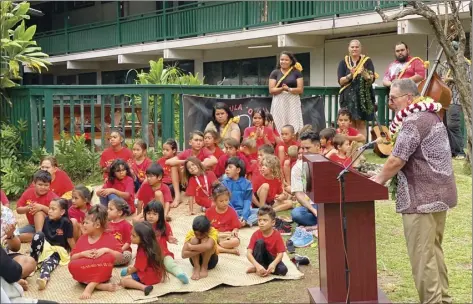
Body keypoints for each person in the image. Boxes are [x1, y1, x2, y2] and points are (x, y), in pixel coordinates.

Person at [372, 78, 456, 304]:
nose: (390, 103)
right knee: (433, 251)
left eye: (393, 99)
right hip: (440, 195)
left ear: (408, 98)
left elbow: (397, 160)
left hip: (422, 198)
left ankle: (432, 301)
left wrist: (376, 181)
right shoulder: (431, 116)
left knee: (422, 256)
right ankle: (443, 299)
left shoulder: (413, 121)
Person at [68, 205, 123, 299]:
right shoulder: (83, 238)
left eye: (87, 223)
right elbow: (72, 258)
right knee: (71, 265)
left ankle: (91, 285)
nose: (83, 225)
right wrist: (83, 254)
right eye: (84, 222)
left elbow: (120, 257)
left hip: (101, 273)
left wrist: (106, 250)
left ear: (97, 225)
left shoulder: (109, 238)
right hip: (85, 273)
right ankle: (98, 285)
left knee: (108, 257)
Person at [29, 198, 75, 290]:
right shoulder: (46, 219)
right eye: (49, 208)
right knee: (38, 235)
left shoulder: (66, 222)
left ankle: (43, 278)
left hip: (57, 250)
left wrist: (76, 253)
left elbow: (70, 239)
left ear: (62, 212)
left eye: (53, 209)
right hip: (46, 246)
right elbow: (43, 237)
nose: (49, 211)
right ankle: (32, 262)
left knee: (48, 264)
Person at [166, 131, 218, 207]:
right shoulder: (187, 152)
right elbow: (168, 162)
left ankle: (200, 194)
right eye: (196, 140)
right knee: (174, 166)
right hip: (187, 181)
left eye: (201, 140)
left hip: (202, 183)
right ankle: (177, 197)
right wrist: (187, 161)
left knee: (207, 162)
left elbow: (215, 160)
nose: (198, 143)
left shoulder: (204, 151)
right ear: (190, 142)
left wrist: (197, 163)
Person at [337, 39, 377, 139]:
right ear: (348, 49)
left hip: (363, 97)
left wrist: (364, 73)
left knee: (361, 123)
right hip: (348, 97)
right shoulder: (343, 62)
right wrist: (350, 75)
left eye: (357, 47)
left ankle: (360, 148)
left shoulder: (367, 61)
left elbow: (371, 79)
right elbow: (340, 81)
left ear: (360, 48)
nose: (354, 49)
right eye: (352, 47)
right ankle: (350, 147)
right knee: (348, 123)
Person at [143, 201, 189, 284]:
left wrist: (170, 238)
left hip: (163, 253)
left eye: (154, 214)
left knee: (170, 264)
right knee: (142, 264)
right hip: (148, 254)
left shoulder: (165, 225)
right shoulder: (143, 226)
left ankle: (180, 274)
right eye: (148, 213)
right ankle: (130, 270)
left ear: (160, 215)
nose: (151, 216)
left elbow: (169, 236)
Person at [439, 40, 469, 159]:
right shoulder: (444, 64)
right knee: (443, 125)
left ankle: (460, 151)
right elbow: (439, 79)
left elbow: (467, 81)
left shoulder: (465, 64)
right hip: (443, 99)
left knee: (453, 125)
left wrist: (450, 79)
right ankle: (450, 151)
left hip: (456, 98)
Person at [120, 222, 167, 296]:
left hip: (149, 276)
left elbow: (137, 267)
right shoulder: (152, 244)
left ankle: (144, 287)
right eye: (131, 234)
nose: (130, 237)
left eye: (133, 236)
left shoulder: (143, 252)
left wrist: (129, 272)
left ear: (143, 238)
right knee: (129, 270)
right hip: (156, 274)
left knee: (124, 281)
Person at [17, 170, 58, 243]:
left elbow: (58, 213)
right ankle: (42, 236)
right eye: (40, 184)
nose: (43, 187)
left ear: (50, 185)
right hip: (32, 226)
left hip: (50, 226)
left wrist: (41, 207)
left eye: (46, 185)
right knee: (14, 234)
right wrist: (27, 208)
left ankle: (39, 238)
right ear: (34, 183)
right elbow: (18, 210)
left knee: (38, 212)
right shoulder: (28, 192)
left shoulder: (52, 197)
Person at [291, 131, 319, 234]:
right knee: (296, 214)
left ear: (318, 147)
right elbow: (298, 194)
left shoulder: (327, 162)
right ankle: (322, 222)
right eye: (302, 148)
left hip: (328, 205)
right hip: (311, 208)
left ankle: (320, 223)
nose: (304, 151)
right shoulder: (297, 167)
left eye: (307, 148)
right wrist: (313, 210)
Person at [246, 205, 288, 277]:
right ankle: (259, 267)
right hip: (259, 258)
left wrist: (273, 264)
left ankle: (262, 268)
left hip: (271, 258)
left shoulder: (277, 235)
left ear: (273, 222)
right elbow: (248, 253)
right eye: (259, 220)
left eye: (265, 220)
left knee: (283, 270)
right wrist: (257, 265)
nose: (261, 223)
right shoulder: (255, 234)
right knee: (260, 242)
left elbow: (280, 254)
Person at [269, 51, 304, 134]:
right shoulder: (275, 73)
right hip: (279, 101)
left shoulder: (297, 73)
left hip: (292, 101)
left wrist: (289, 89)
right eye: (282, 59)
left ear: (291, 61)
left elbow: (300, 89)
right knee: (278, 121)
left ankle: (294, 141)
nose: (283, 62)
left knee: (294, 121)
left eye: (286, 60)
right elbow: (271, 90)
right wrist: (282, 89)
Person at [1, 204, 37, 279]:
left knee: (29, 262)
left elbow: (16, 248)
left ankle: (12, 280)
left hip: (3, 257)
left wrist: (10, 236)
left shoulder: (5, 212)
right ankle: (11, 281)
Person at [205, 184, 241, 255]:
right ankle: (229, 251)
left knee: (236, 241)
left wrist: (235, 230)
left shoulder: (232, 211)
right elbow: (206, 226)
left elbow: (236, 227)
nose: (225, 203)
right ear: (215, 201)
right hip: (214, 234)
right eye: (221, 201)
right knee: (204, 241)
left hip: (226, 235)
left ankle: (218, 247)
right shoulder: (209, 211)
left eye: (226, 200)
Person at [182, 215, 219, 281]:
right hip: (194, 261)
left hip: (211, 261)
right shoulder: (191, 233)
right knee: (194, 240)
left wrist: (192, 247)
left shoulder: (213, 231)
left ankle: (204, 267)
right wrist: (199, 249)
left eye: (201, 234)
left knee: (205, 240)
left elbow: (208, 246)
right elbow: (183, 255)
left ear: (208, 230)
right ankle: (197, 267)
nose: (198, 236)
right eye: (196, 234)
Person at [221, 157, 256, 227]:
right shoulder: (224, 183)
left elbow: (247, 201)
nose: (227, 169)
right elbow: (227, 203)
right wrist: (236, 216)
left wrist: (244, 216)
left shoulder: (247, 183)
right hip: (229, 211)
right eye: (226, 167)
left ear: (238, 170)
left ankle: (244, 222)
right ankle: (241, 222)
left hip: (244, 211)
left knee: (264, 212)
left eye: (230, 167)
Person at [106, 198, 133, 266]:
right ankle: (108, 261)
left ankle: (107, 262)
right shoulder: (107, 224)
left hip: (123, 251)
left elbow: (128, 241)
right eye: (108, 208)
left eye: (111, 209)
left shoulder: (126, 225)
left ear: (120, 212)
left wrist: (120, 250)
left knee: (127, 255)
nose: (107, 211)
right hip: (110, 251)